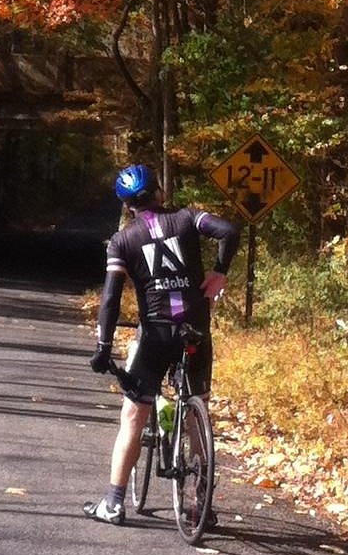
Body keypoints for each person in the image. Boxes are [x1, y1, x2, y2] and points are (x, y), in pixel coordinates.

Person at [84, 162, 240, 525]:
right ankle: (202, 502)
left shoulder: (122, 241)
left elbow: (109, 300)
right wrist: (219, 272)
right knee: (197, 407)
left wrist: (103, 346)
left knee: (133, 415)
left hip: (155, 333)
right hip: (195, 328)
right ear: (160, 192)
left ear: (127, 207)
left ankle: (113, 503)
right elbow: (229, 230)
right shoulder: (187, 218)